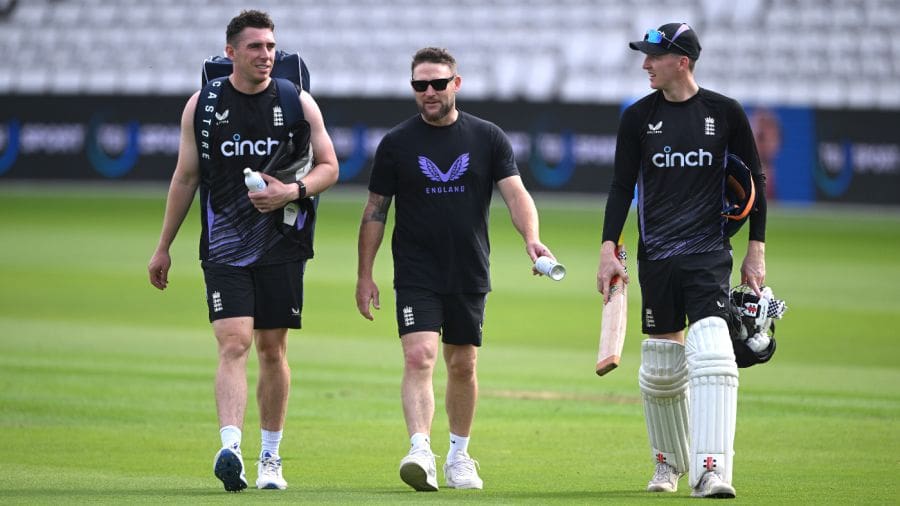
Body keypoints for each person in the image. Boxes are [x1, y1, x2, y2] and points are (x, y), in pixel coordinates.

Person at [147, 10, 338, 492]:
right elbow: (185, 177)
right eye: (255, 47)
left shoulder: (298, 102)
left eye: (271, 46)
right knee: (234, 342)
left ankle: (270, 458)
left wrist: (290, 192)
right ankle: (230, 446)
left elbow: (330, 167)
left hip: (282, 241)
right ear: (231, 52)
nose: (266, 55)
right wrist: (163, 246)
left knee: (273, 349)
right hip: (225, 242)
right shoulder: (203, 105)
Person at [355, 47, 556, 492]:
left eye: (438, 83)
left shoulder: (487, 137)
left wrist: (531, 238)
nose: (428, 92)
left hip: (468, 269)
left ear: (456, 85)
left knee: (462, 364)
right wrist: (364, 274)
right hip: (415, 270)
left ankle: (459, 456)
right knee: (419, 355)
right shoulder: (397, 143)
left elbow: (516, 194)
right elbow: (375, 212)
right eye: (419, 85)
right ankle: (420, 450)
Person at [596, 23, 767, 499]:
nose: (646, 64)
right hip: (656, 257)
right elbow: (620, 187)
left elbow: (756, 180)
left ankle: (712, 471)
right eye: (645, 56)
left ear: (682, 62)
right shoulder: (637, 118)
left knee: (712, 351)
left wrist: (756, 249)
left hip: (708, 252)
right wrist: (609, 247)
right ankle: (668, 466)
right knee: (661, 366)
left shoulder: (724, 113)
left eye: (654, 56)